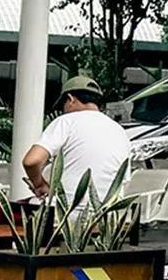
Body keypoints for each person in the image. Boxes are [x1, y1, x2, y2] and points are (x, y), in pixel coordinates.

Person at [23, 75, 131, 207]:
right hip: (109, 213)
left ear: (70, 99)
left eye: (63, 105)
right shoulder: (119, 131)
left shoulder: (66, 122)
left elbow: (31, 161)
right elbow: (124, 179)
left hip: (68, 211)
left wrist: (39, 185)